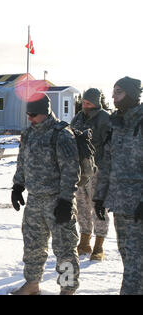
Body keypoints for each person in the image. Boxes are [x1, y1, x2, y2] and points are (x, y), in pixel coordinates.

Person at [11, 94, 80, 295]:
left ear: (46, 112)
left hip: (57, 201)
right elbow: (22, 161)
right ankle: (32, 284)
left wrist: (66, 201)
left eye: (33, 114)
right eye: (28, 114)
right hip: (34, 201)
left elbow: (71, 170)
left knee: (65, 250)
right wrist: (17, 186)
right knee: (32, 246)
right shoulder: (29, 133)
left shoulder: (61, 134)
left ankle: (67, 289)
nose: (30, 118)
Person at [93, 76, 143, 295]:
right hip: (120, 204)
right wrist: (99, 196)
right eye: (113, 91)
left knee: (135, 261)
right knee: (126, 255)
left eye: (119, 91)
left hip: (139, 207)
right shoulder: (115, 124)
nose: (113, 96)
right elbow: (106, 163)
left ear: (132, 94)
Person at [71, 88, 111, 261]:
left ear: (96, 102)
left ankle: (99, 245)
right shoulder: (78, 118)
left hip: (98, 169)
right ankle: (85, 241)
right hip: (80, 170)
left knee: (98, 207)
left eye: (89, 103)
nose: (85, 105)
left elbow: (109, 144)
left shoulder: (104, 119)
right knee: (81, 206)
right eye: (84, 102)